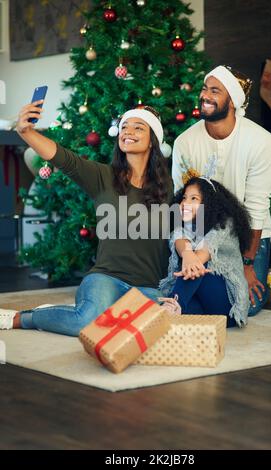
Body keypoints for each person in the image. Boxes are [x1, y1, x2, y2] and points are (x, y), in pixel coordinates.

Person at [0, 102, 173, 335]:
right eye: (124, 127)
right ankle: (24, 318)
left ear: (153, 139)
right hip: (106, 278)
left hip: (149, 287)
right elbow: (63, 158)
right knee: (86, 323)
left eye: (138, 128)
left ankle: (86, 309)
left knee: (155, 328)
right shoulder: (103, 176)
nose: (128, 132)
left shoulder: (169, 187)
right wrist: (26, 132)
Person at [172, 65, 271, 315]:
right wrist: (189, 251)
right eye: (204, 89)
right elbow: (183, 205)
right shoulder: (185, 142)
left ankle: (187, 301)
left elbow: (256, 208)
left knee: (247, 307)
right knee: (202, 285)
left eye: (215, 91)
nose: (205, 96)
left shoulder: (260, 141)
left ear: (232, 101)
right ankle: (185, 299)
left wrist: (247, 263)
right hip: (202, 230)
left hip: (247, 234)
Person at [158, 172, 252, 328]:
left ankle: (173, 305)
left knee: (200, 264)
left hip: (226, 307)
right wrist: (187, 254)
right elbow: (179, 240)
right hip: (202, 305)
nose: (185, 203)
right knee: (191, 261)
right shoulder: (183, 226)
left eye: (194, 198)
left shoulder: (224, 225)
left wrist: (190, 257)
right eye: (184, 198)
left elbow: (204, 252)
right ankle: (174, 310)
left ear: (209, 204)